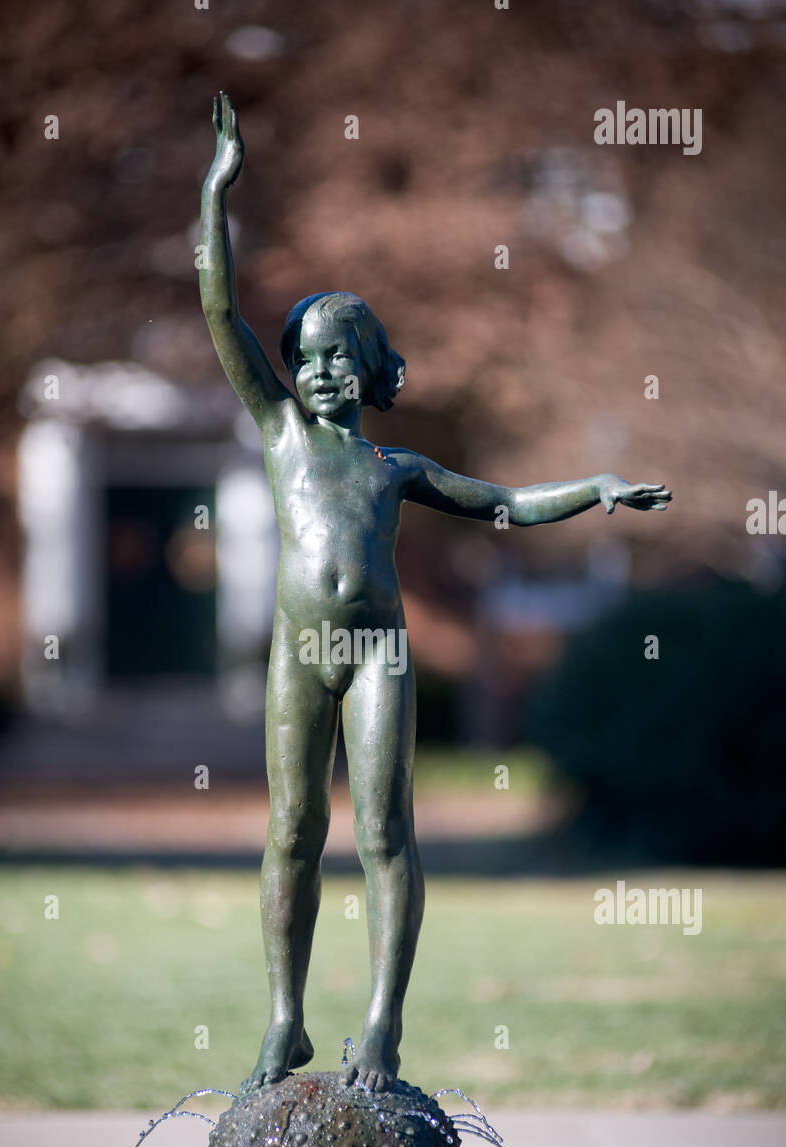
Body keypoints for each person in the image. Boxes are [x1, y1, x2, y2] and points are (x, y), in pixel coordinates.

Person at [200, 93, 671, 1094]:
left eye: (341, 354)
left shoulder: (393, 465)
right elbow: (215, 304)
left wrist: (592, 488)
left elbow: (502, 502)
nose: (321, 370)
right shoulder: (280, 437)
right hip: (301, 651)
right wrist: (216, 188)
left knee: (383, 832)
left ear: (371, 367)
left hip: (379, 653)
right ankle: (283, 1021)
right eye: (307, 356)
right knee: (291, 829)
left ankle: (380, 1026)